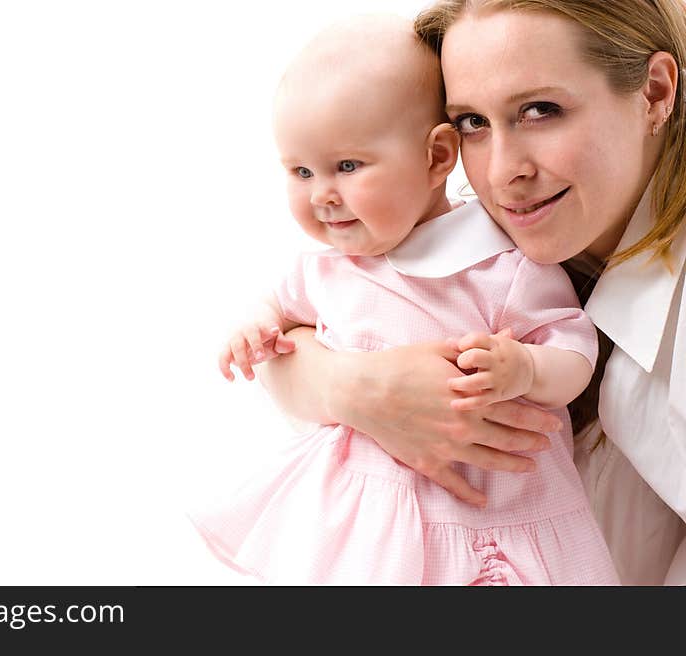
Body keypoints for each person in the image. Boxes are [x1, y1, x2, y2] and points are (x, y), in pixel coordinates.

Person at [258, 0, 686, 585]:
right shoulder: (485, 253)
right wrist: (354, 388)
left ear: (656, 93)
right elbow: (293, 337)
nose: (502, 170)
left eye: (541, 110)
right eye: (472, 123)